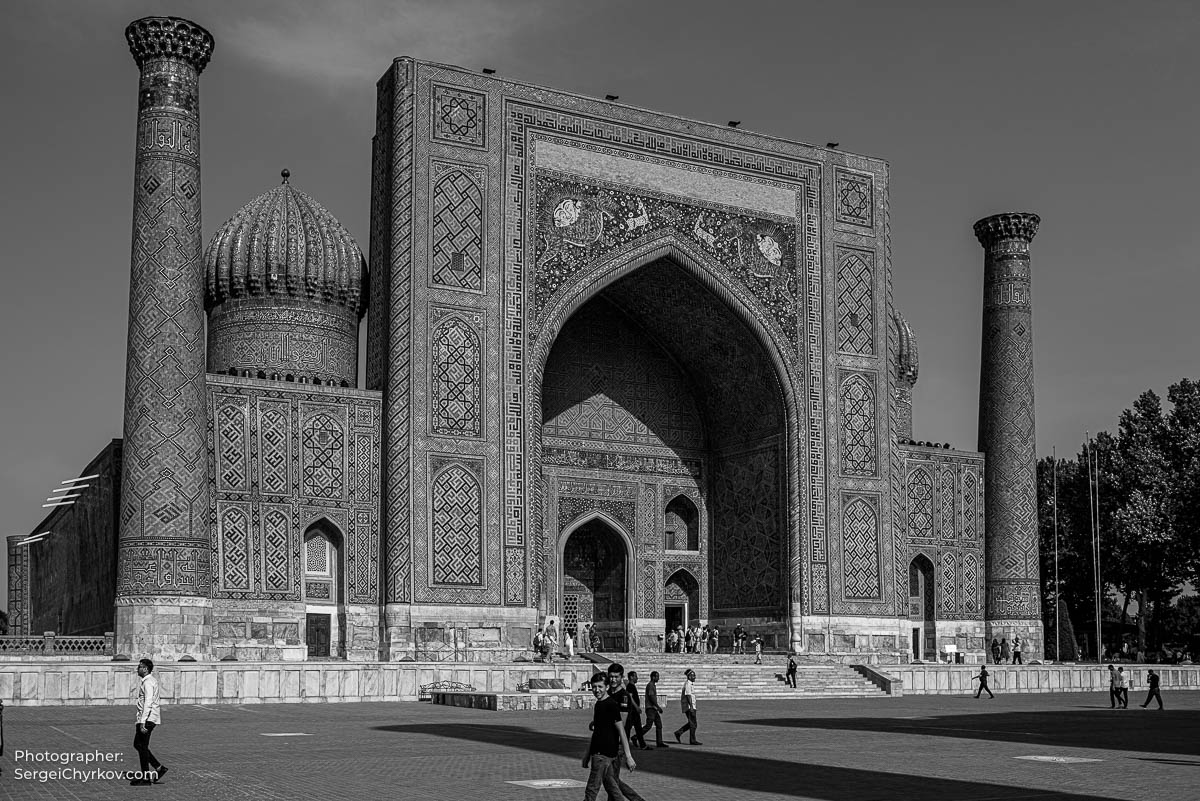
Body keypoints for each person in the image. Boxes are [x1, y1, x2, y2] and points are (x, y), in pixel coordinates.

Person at [582, 672, 645, 801]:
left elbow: (621, 731)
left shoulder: (611, 705)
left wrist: (628, 756)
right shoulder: (599, 705)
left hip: (603, 754)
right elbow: (597, 733)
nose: (596, 690)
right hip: (601, 752)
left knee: (592, 790)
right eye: (594, 687)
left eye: (600, 687)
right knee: (613, 787)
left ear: (606, 687)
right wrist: (587, 755)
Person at [129, 658, 168, 785]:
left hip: (148, 718)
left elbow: (148, 702)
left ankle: (146, 778)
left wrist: (143, 722)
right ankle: (159, 768)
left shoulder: (148, 683)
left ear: (145, 669)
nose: (137, 669)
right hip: (148, 718)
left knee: (142, 746)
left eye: (140, 667)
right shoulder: (149, 681)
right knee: (139, 745)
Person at [639, 671, 669, 748]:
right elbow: (652, 697)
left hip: (653, 708)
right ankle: (636, 736)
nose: (658, 678)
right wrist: (658, 707)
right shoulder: (651, 686)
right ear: (653, 677)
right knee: (648, 725)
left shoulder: (652, 685)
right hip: (650, 708)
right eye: (657, 676)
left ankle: (659, 742)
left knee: (659, 725)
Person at [673, 668, 701, 745]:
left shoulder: (689, 684)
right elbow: (688, 695)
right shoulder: (688, 684)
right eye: (693, 676)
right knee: (693, 724)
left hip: (690, 706)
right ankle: (692, 740)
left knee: (691, 723)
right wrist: (691, 706)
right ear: (689, 677)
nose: (695, 677)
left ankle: (679, 732)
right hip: (689, 707)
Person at [623, 671, 649, 749]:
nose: (637, 678)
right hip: (632, 711)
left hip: (633, 711)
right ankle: (626, 744)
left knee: (635, 728)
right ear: (631, 677)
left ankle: (641, 744)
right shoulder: (630, 686)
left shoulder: (631, 686)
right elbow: (630, 697)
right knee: (629, 728)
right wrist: (637, 707)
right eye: (635, 676)